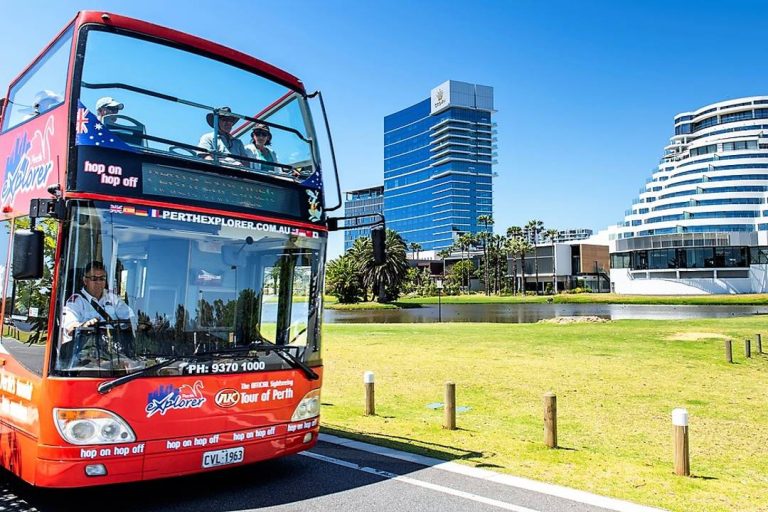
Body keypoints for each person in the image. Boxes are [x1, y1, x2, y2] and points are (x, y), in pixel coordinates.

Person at [61, 260, 137, 345]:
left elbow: (130, 317)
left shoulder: (112, 298)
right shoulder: (76, 302)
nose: (98, 282)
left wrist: (138, 324)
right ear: (85, 280)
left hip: (113, 349)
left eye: (102, 278)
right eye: (94, 279)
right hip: (86, 351)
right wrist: (84, 326)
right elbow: (69, 328)